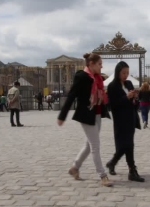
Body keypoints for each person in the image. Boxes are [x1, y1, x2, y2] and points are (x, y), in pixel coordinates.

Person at [57, 52, 113, 187]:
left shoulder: (98, 78)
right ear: (91, 64)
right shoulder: (81, 77)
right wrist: (62, 115)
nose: (102, 67)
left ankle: (75, 167)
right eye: (100, 64)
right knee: (95, 146)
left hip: (98, 113)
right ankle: (102, 175)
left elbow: (103, 97)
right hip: (86, 115)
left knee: (89, 145)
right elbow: (71, 96)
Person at [105, 61, 144, 182]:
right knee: (127, 144)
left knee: (128, 144)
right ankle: (131, 169)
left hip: (130, 118)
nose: (126, 75)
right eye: (123, 73)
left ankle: (116, 163)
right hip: (120, 120)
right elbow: (113, 105)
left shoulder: (129, 83)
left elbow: (134, 103)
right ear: (118, 73)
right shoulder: (112, 86)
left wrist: (135, 98)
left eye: (127, 72)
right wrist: (126, 97)